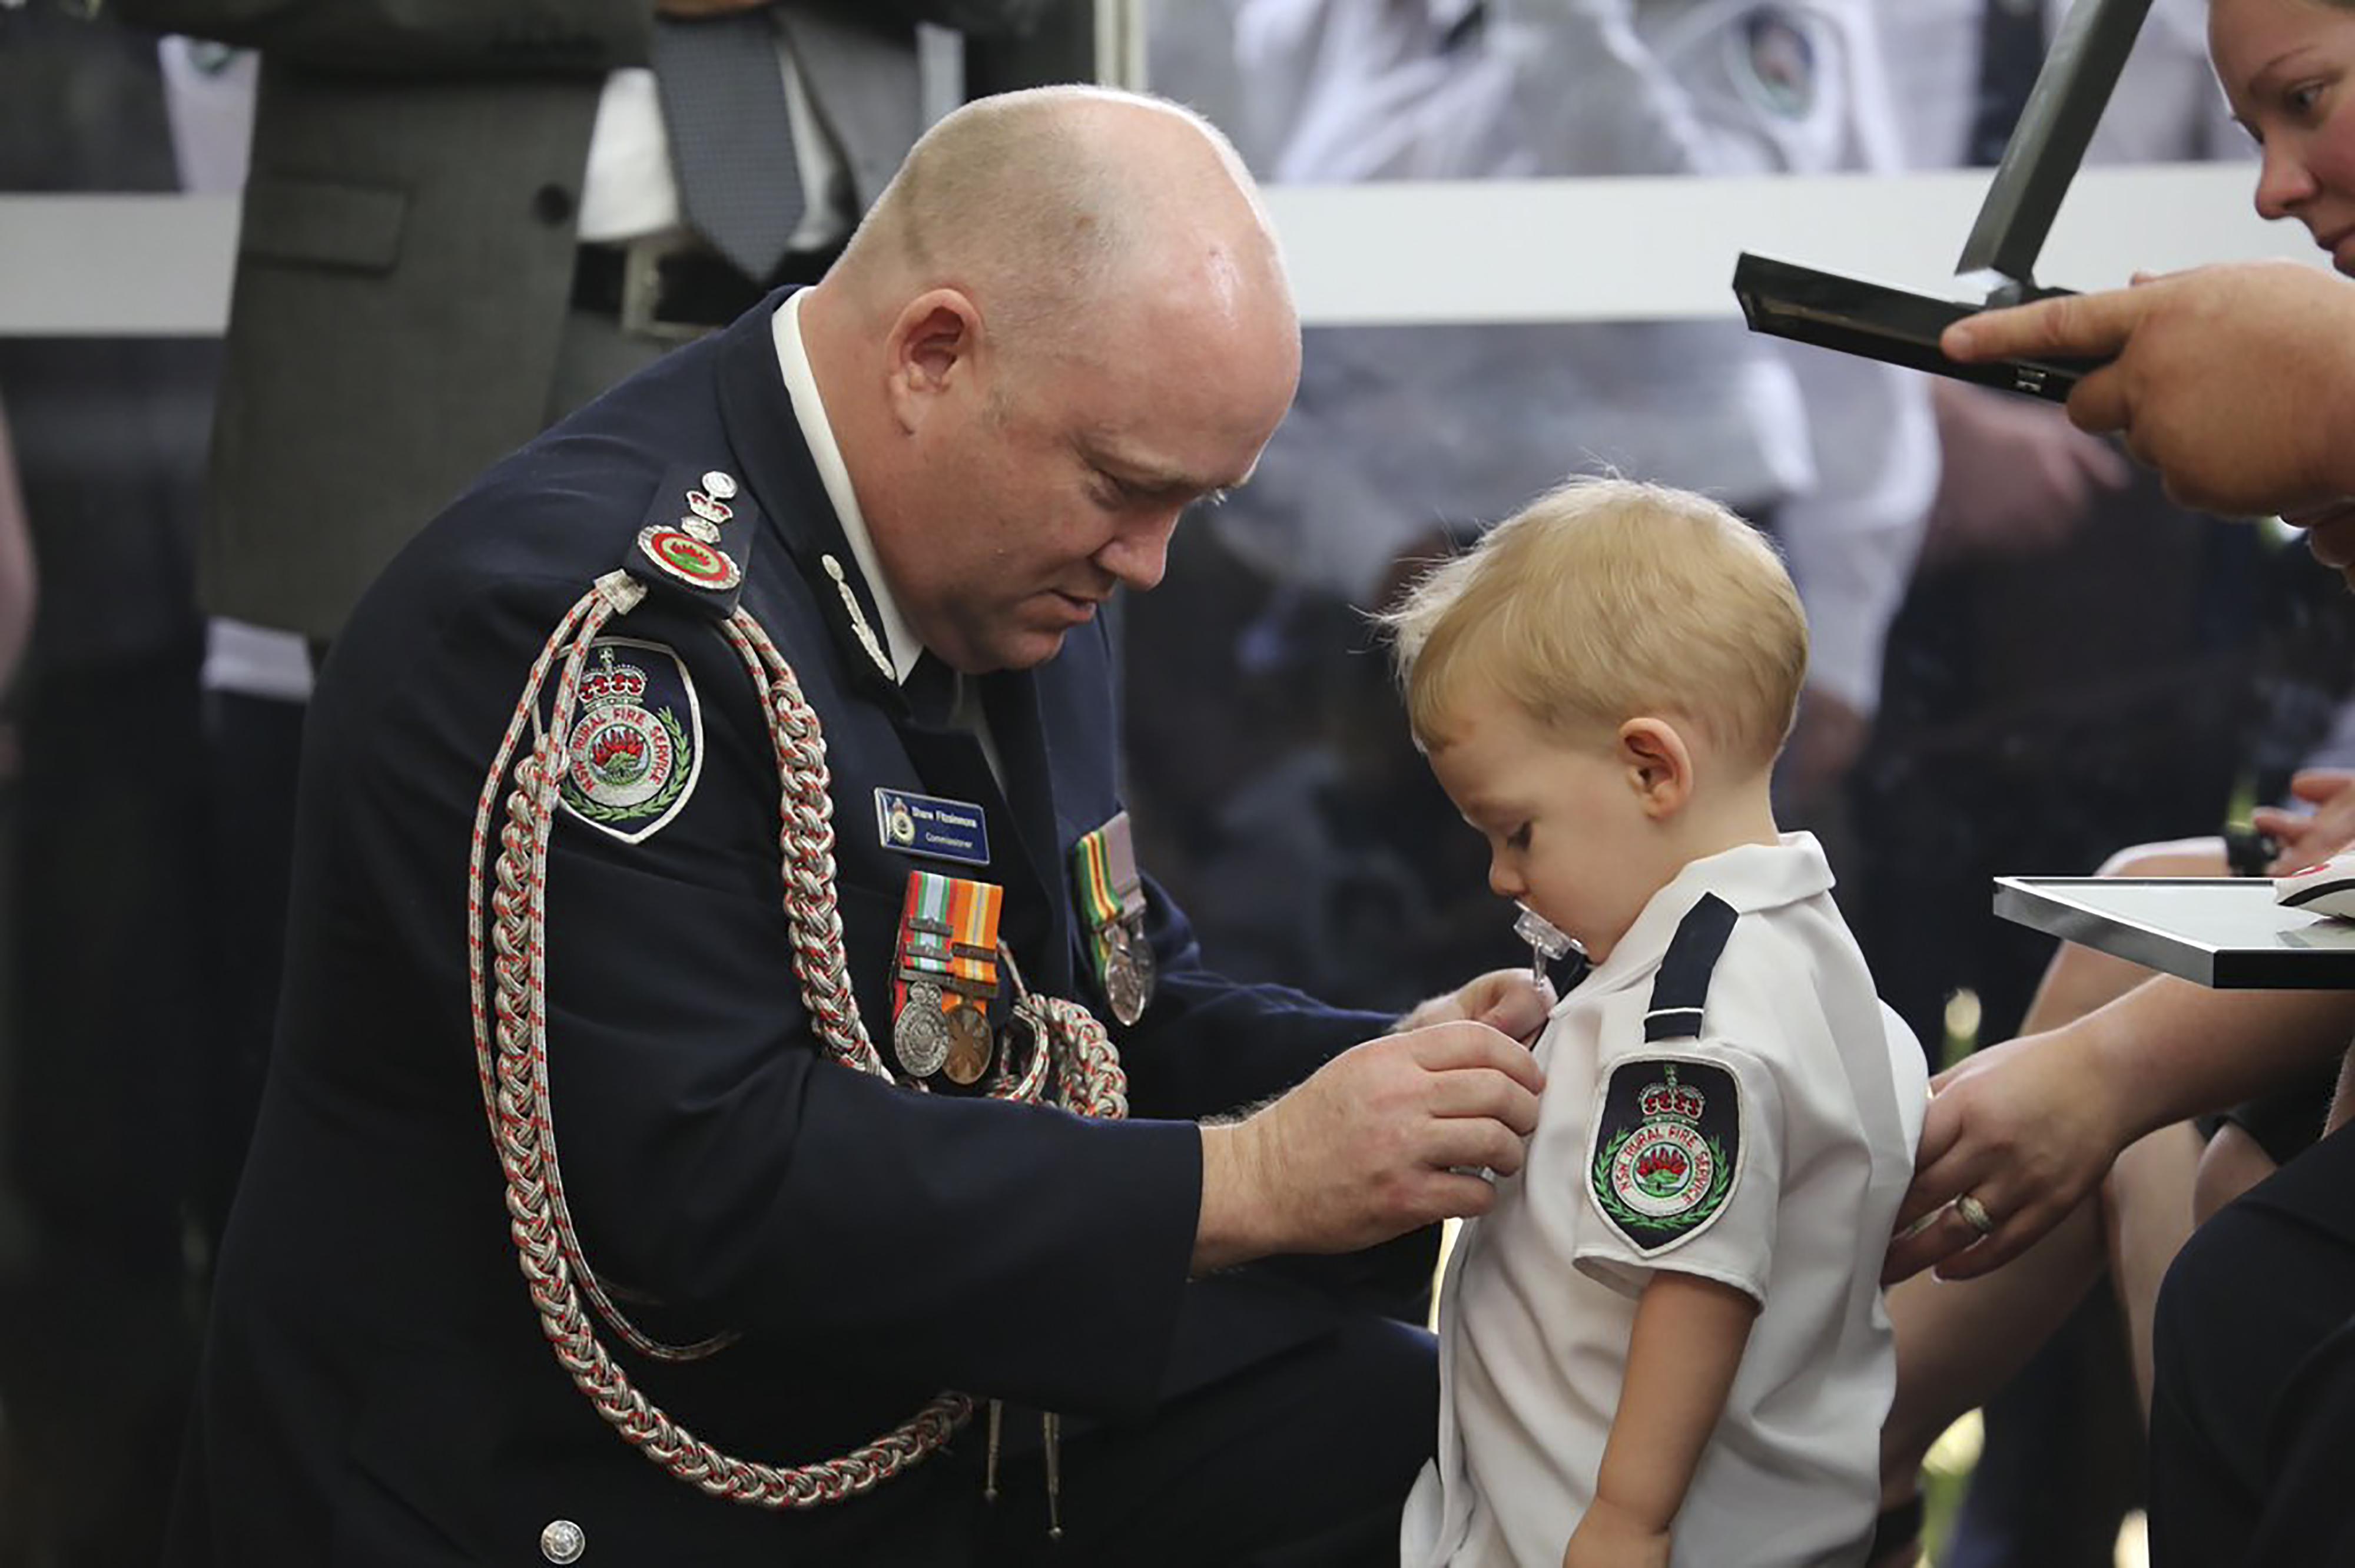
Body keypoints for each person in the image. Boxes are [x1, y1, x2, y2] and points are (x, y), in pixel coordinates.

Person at [168, 85, 1560, 1568]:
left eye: (1192, 505)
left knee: (1425, 1431)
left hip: (886, 1396)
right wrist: (1264, 1179)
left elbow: (1094, 1007)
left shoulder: (1012, 557)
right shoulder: (598, 632)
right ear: (932, 355)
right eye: (1127, 488)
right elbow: (718, 1184)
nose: (1149, 563)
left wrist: (1440, 1089)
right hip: (554, 1484)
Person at [1379, 479, 1928, 1567]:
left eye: (1517, 830)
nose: (1501, 877)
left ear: (1651, 768)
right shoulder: (1809, 950)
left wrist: (1629, 1521)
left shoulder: (1689, 1015)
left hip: (1594, 1531)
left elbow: (1698, 1282)